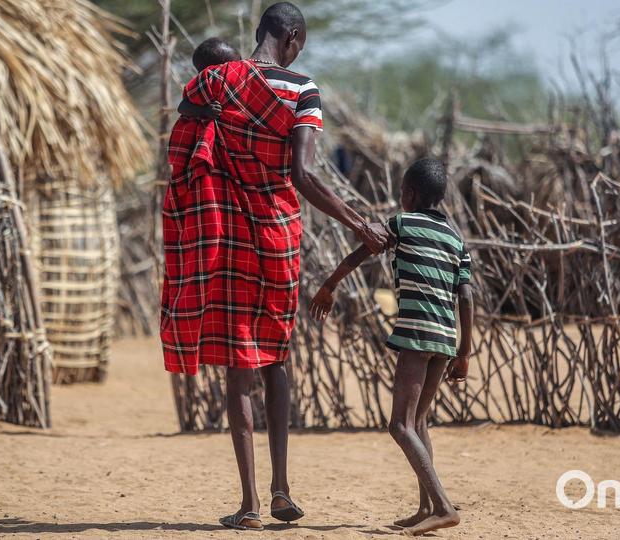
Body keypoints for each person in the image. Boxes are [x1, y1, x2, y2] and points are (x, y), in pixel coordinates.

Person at [161, 2, 390, 532]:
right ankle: (282, 490)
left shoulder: (216, 82)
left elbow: (187, 118)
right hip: (277, 237)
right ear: (290, 37)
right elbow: (304, 176)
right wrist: (359, 223)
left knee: (240, 370)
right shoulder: (302, 90)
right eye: (299, 44)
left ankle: (248, 506)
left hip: (229, 240)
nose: (298, 52)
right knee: (276, 361)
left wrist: (211, 112)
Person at [309, 158, 474, 536]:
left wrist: (330, 285)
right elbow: (465, 297)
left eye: (402, 192)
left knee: (400, 425)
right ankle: (425, 509)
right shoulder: (456, 240)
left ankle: (444, 506)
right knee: (419, 422)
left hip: (416, 334)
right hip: (445, 338)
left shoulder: (402, 222)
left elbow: (364, 250)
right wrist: (464, 352)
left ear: (409, 194)